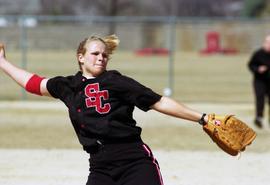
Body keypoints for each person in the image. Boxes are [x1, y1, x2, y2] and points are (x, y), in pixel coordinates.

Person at [0, 35, 208, 185]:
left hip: (134, 162)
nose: (101, 58)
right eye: (95, 53)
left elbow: (159, 102)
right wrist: (3, 63)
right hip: (100, 166)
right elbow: (33, 83)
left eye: (104, 55)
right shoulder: (67, 86)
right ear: (80, 57)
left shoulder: (116, 81)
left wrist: (202, 118)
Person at [248, 35, 270, 129]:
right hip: (259, 81)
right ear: (264, 43)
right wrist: (257, 69)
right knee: (260, 99)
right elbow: (251, 65)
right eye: (268, 43)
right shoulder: (258, 53)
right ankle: (259, 118)